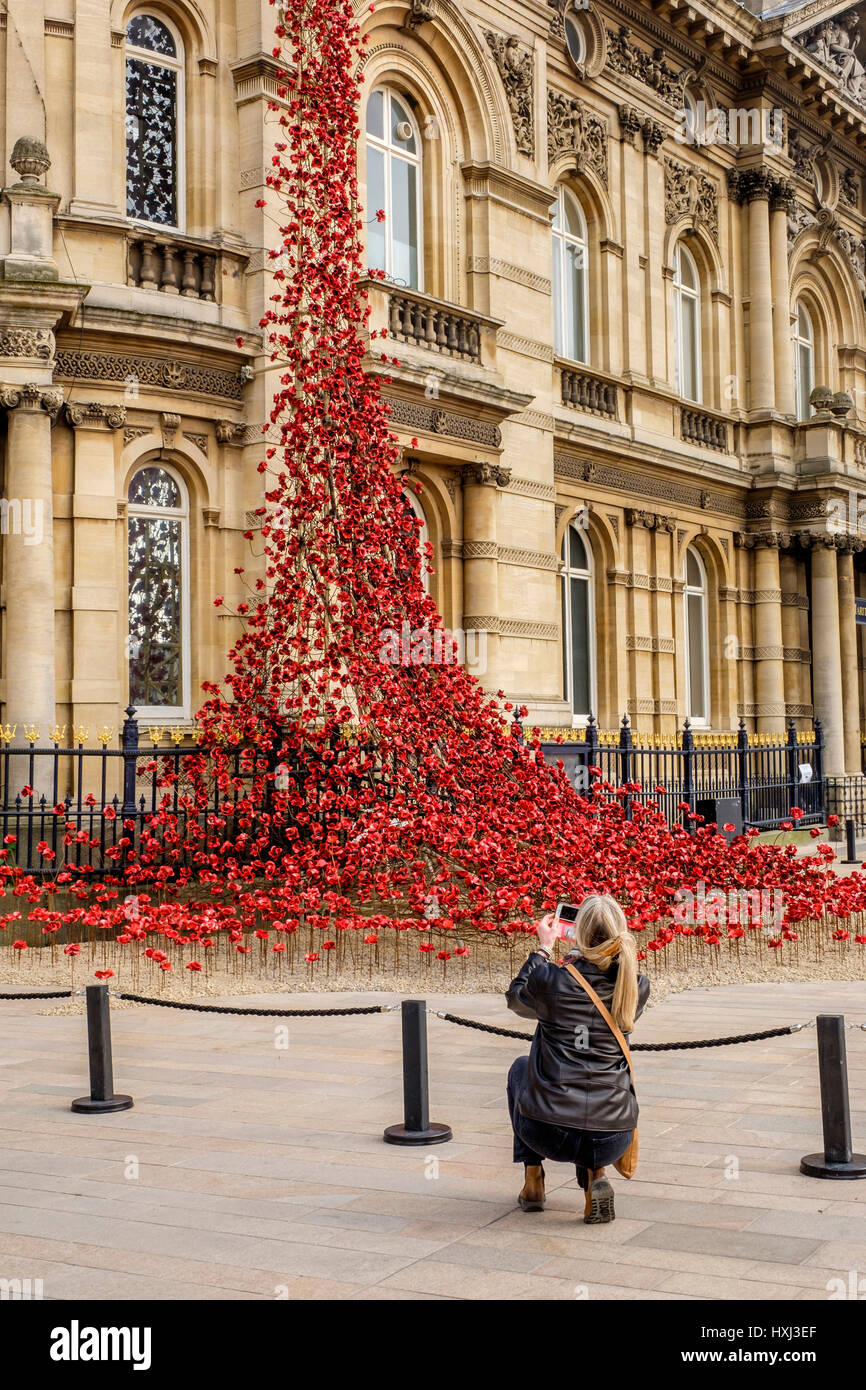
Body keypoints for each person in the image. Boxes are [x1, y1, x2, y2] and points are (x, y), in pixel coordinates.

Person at [505, 894, 650, 1224]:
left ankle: (533, 1180)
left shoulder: (552, 980)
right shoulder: (636, 986)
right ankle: (596, 1175)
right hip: (613, 1137)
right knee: (592, 1087)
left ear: (577, 934)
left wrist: (544, 948)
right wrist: (581, 958)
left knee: (521, 1069)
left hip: (547, 1133)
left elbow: (516, 999)